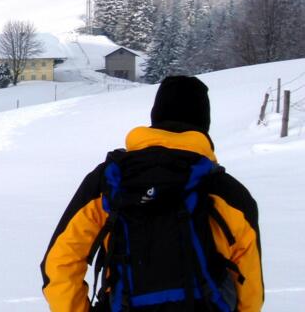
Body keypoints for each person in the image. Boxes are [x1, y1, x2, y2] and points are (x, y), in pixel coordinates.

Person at [40, 76, 263, 312]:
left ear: (155, 118)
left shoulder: (110, 180)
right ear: (204, 125)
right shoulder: (228, 192)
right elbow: (250, 288)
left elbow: (60, 263)